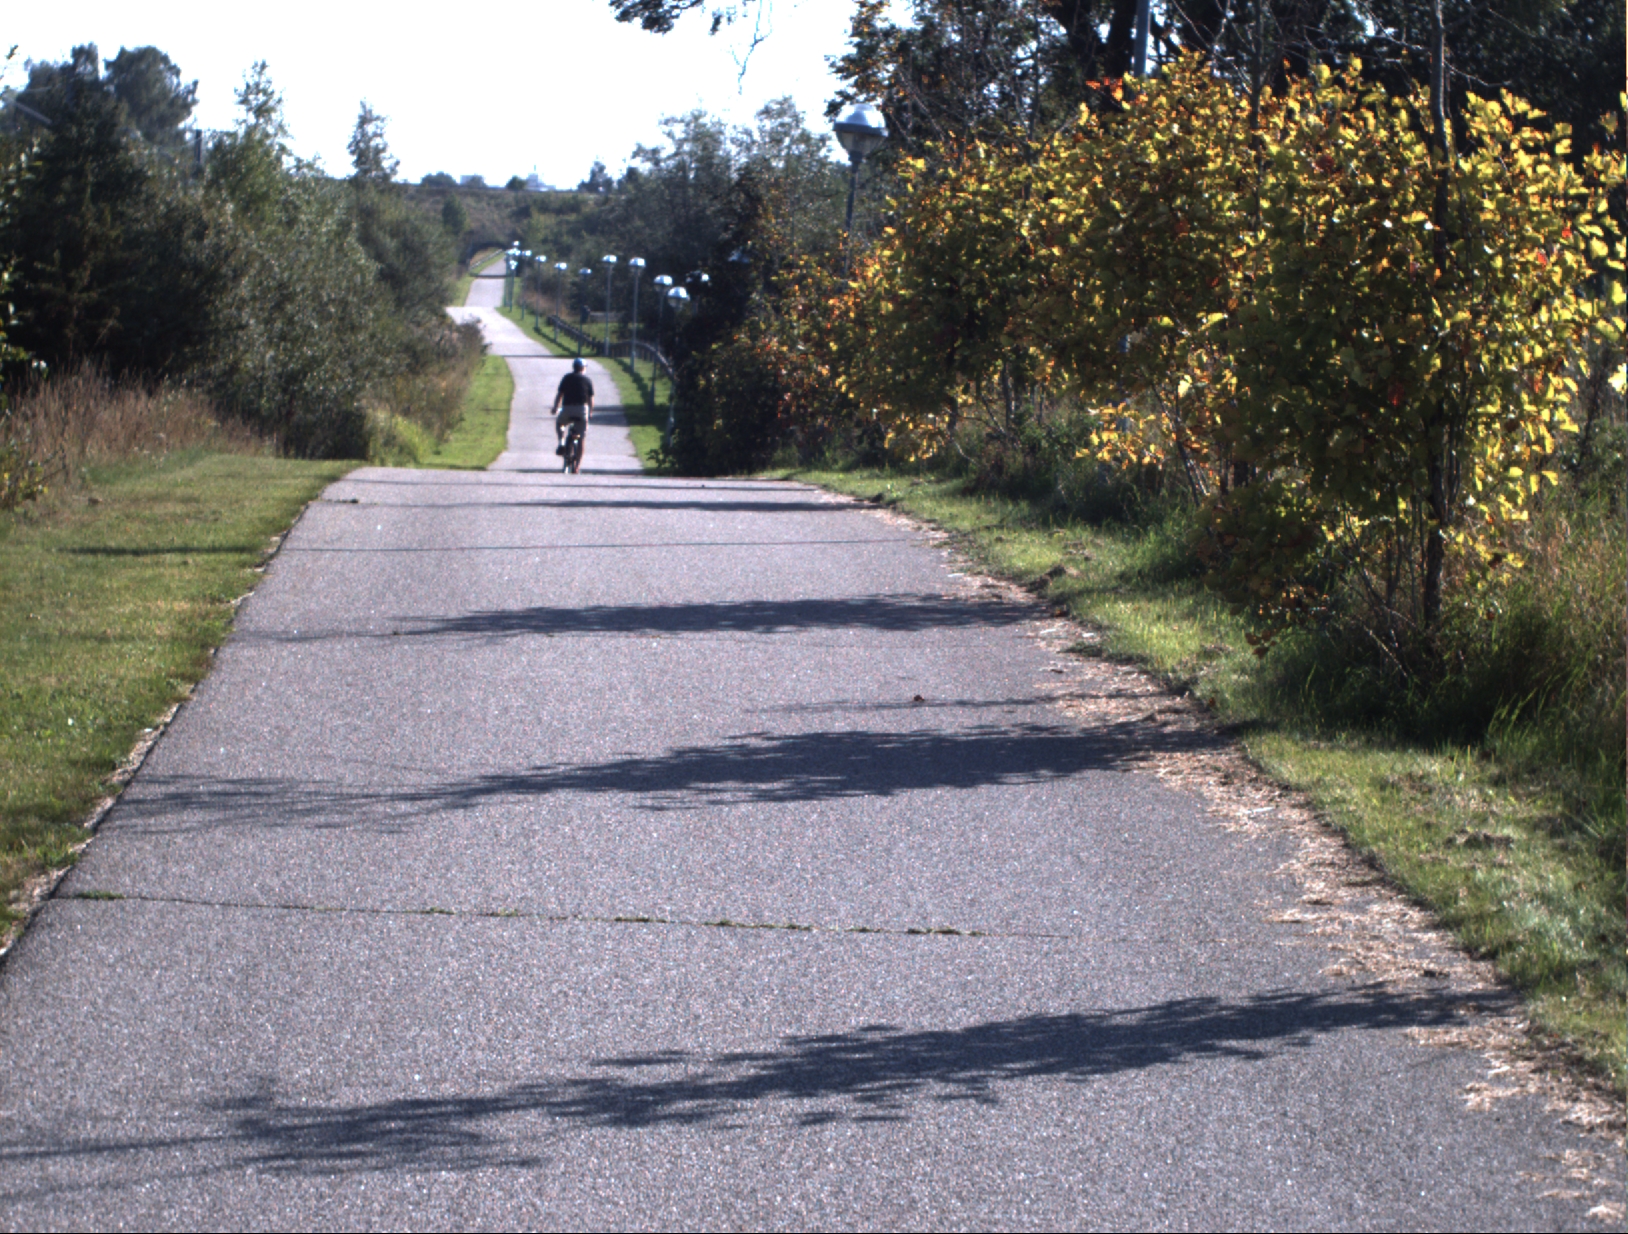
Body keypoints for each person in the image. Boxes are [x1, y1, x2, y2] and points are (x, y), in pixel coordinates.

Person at [551, 358, 594, 457]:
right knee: (581, 437)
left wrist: (555, 407)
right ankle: (577, 463)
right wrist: (590, 412)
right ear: (583, 368)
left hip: (567, 409)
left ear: (574, 367)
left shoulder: (567, 378)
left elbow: (560, 394)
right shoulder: (587, 380)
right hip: (582, 410)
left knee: (560, 424)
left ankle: (561, 442)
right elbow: (591, 399)